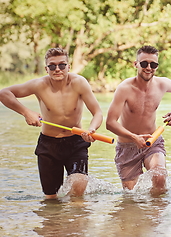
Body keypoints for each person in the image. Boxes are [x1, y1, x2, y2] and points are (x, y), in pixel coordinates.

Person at [0, 48, 103, 199]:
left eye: (62, 65)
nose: (57, 69)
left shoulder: (79, 83)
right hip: (48, 145)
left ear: (68, 66)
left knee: (78, 185)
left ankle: (77, 220)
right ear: (46, 68)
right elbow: (4, 93)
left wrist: (92, 129)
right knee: (51, 199)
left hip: (75, 142)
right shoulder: (38, 85)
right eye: (52, 66)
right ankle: (55, 222)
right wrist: (26, 112)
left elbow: (98, 112)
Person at [106, 45, 171, 196]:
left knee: (159, 177)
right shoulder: (124, 88)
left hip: (152, 141)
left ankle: (157, 219)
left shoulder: (161, 84)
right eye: (144, 63)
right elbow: (110, 122)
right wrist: (133, 137)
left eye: (153, 64)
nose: (149, 68)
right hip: (127, 146)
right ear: (135, 64)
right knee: (132, 197)